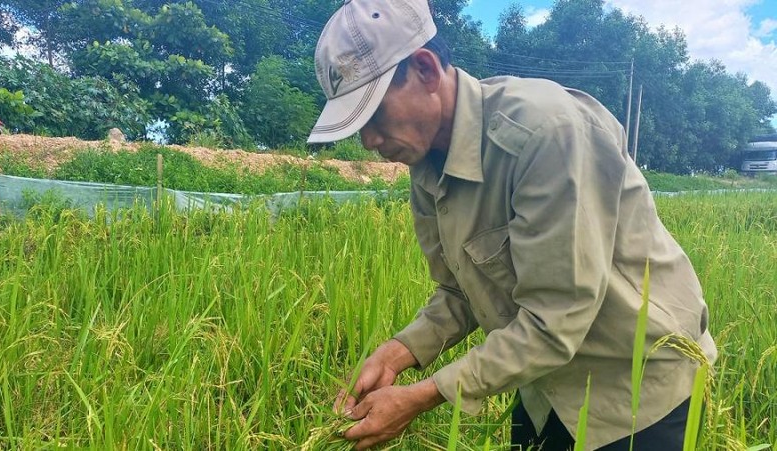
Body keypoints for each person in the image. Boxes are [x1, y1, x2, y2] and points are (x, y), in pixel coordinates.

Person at [307, 1, 717, 449]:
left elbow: (554, 319)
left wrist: (422, 396)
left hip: (636, 392)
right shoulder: (425, 163)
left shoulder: (546, 133)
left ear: (425, 70)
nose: (369, 141)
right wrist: (399, 352)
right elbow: (459, 291)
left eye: (375, 116)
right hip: (548, 385)